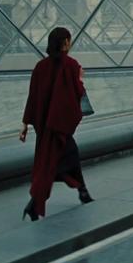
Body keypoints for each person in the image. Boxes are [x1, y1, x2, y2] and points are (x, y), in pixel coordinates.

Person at [20, 27, 93, 221]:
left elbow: (33, 97)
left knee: (50, 163)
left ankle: (79, 192)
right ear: (65, 43)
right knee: (61, 161)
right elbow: (76, 94)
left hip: (45, 126)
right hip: (59, 126)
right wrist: (80, 79)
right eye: (69, 40)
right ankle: (36, 204)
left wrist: (26, 123)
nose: (70, 44)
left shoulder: (40, 67)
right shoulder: (71, 65)